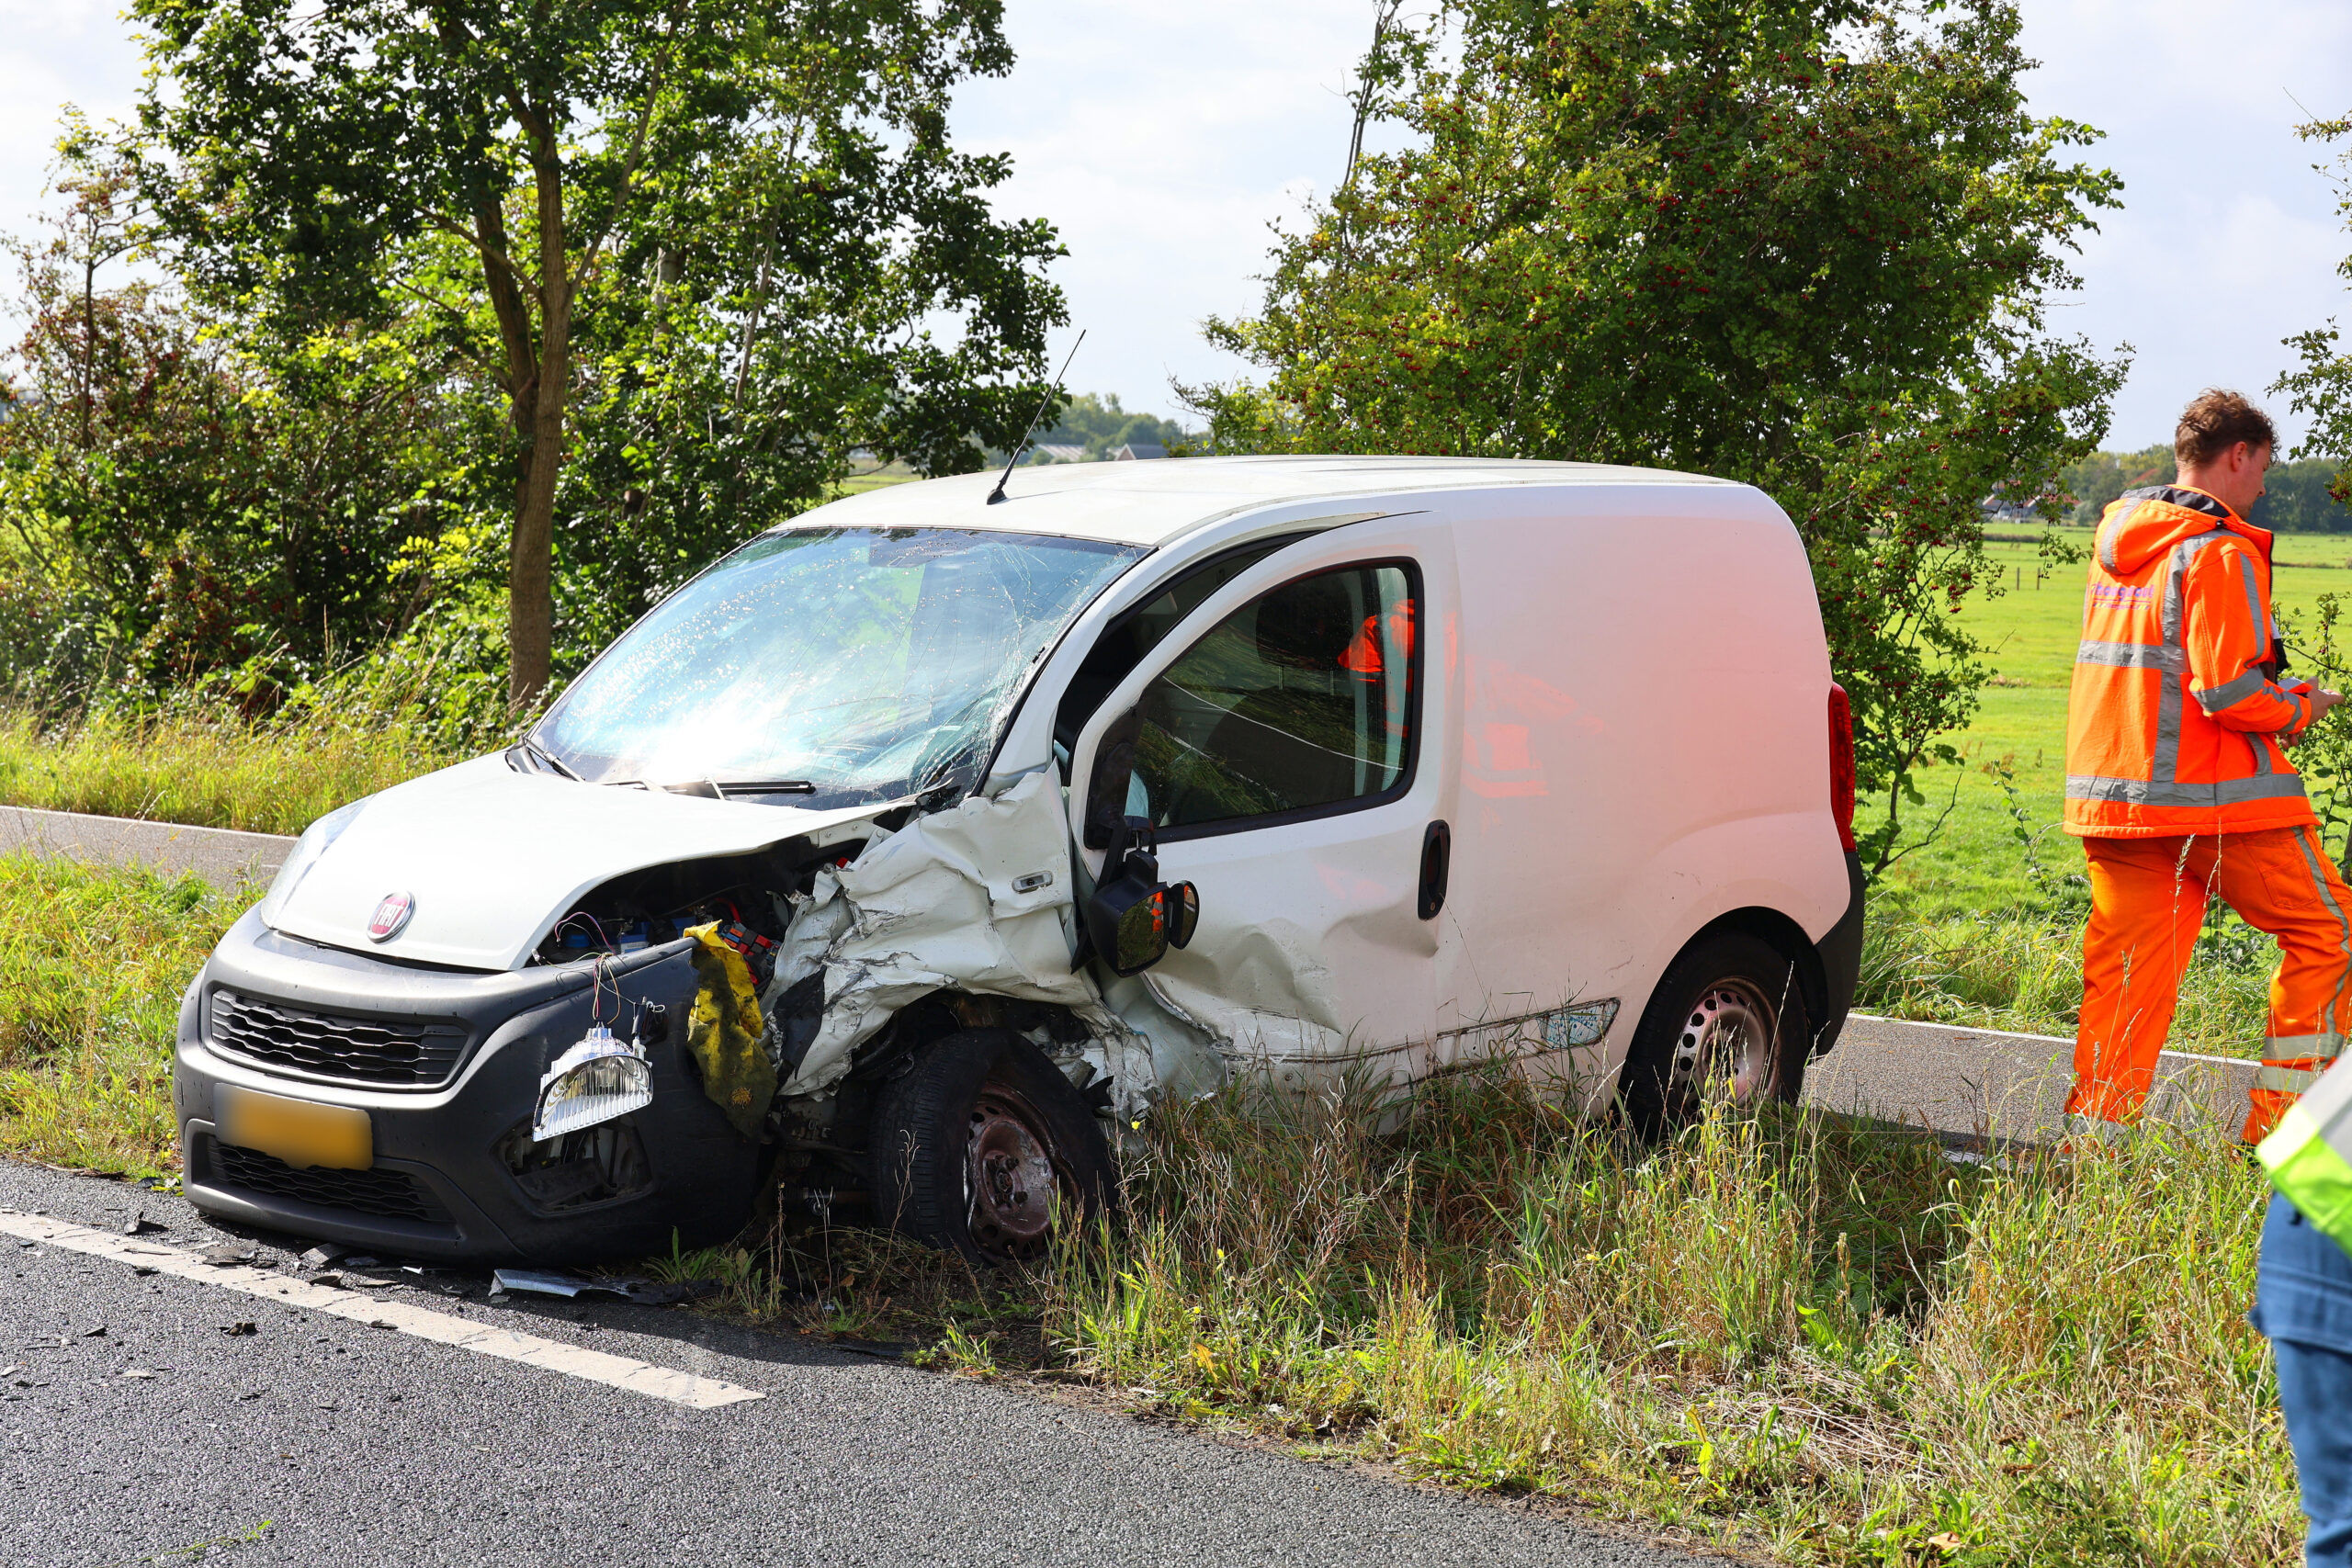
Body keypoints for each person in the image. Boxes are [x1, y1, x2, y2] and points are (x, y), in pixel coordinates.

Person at [2063, 389, 2346, 1144]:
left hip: (2118, 801)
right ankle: (2289, 1141)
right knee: (2336, 936)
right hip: (2214, 802)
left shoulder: (2121, 545)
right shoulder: (2219, 550)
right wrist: (2301, 706)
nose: (2262, 488)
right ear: (2238, 454)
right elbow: (2226, 690)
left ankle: (2093, 1155)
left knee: (2128, 982)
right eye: (2262, 469)